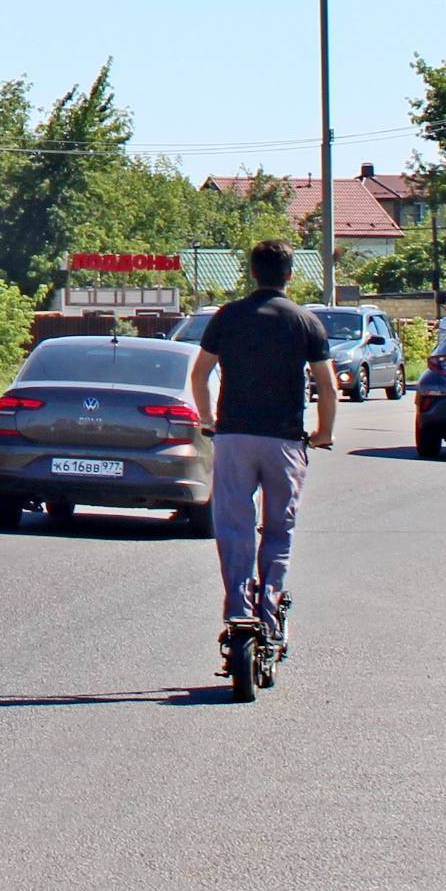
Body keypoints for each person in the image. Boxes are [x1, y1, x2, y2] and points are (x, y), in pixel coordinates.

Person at [188, 237, 336, 654]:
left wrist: (208, 420)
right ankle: (269, 611)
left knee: (235, 526)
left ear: (252, 272)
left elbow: (200, 374)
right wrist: (324, 433)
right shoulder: (306, 322)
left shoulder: (228, 316)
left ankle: (238, 607)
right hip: (284, 441)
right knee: (278, 528)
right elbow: (326, 386)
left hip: (233, 437)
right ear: (290, 274)